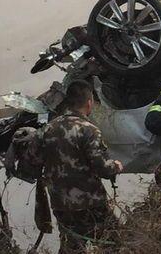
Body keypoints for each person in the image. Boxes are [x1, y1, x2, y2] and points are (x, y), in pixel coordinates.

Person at [42, 80, 123, 253]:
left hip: (60, 203)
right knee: (113, 242)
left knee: (71, 245)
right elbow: (101, 167)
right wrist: (115, 166)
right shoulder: (89, 130)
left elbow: (37, 160)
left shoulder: (49, 128)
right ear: (89, 102)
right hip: (89, 202)